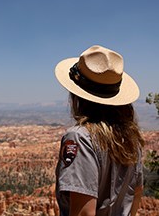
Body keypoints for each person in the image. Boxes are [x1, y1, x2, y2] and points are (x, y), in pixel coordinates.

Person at [54, 45, 144, 216]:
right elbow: (137, 193)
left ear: (78, 96)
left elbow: (84, 213)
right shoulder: (131, 139)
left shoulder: (80, 137)